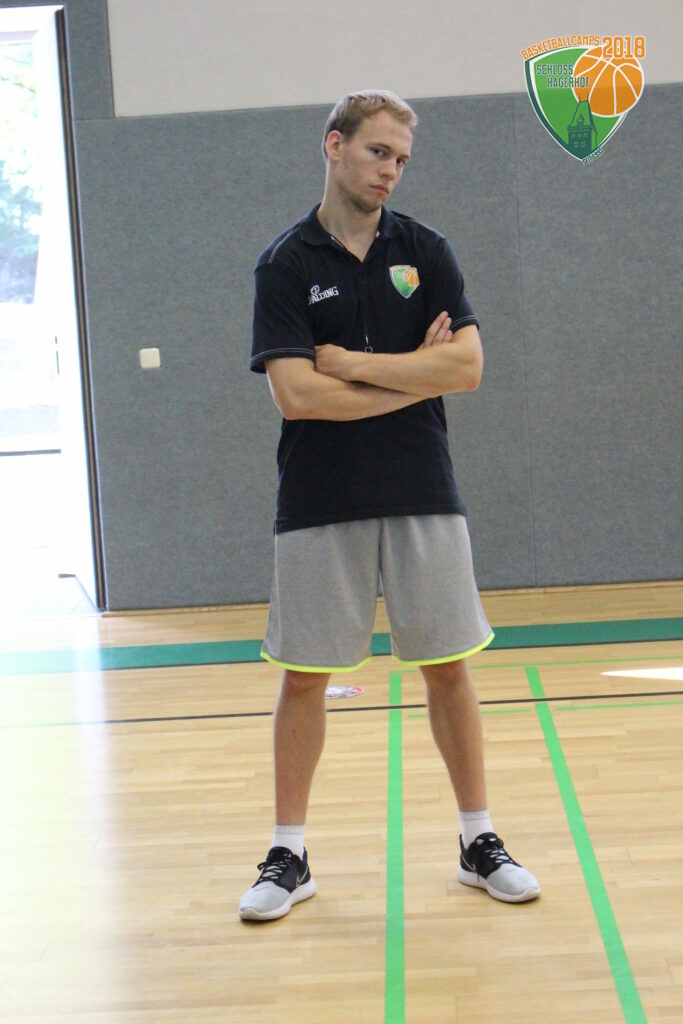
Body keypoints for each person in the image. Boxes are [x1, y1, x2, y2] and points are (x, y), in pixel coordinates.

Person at [241, 90, 540, 922]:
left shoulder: (425, 249)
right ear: (333, 145)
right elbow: (297, 395)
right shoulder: (284, 263)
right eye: (377, 152)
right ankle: (288, 856)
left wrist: (350, 364)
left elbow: (466, 369)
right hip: (318, 496)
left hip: (421, 488)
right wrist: (413, 375)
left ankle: (479, 841)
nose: (389, 171)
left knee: (449, 667)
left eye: (401, 160)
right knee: (306, 678)